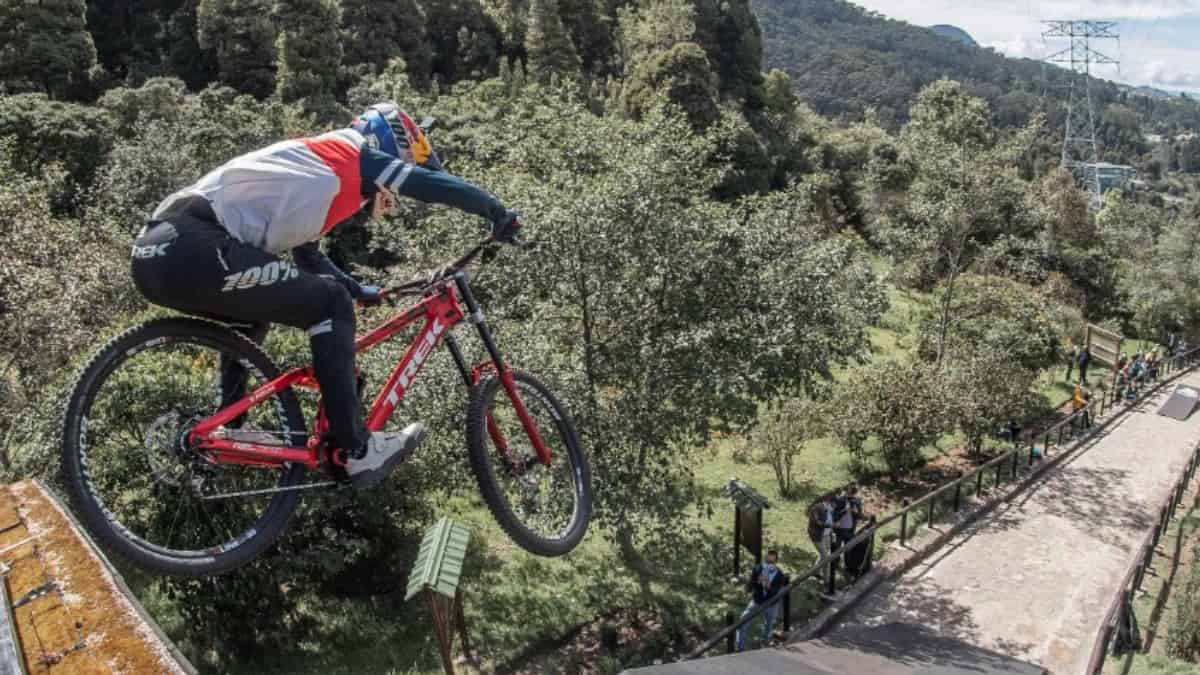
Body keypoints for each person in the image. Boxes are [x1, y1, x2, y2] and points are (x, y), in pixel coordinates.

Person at [130, 102, 521, 488]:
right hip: (196, 243)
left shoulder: (315, 169)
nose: (390, 194)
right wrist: (495, 210)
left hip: (158, 254)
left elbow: (308, 256)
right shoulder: (352, 151)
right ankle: (358, 449)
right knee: (330, 303)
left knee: (254, 318)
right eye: (405, 163)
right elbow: (428, 186)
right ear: (391, 143)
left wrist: (359, 290)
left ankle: (230, 429)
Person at [735, 549, 788, 651]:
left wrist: (768, 586)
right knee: (743, 620)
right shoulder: (758, 568)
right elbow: (751, 583)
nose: (769, 564)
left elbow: (775, 592)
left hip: (771, 604)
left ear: (775, 562)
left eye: (771, 561)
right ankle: (740, 646)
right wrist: (752, 584)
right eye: (767, 560)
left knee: (768, 624)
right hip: (757, 601)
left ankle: (764, 643)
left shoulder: (780, 575)